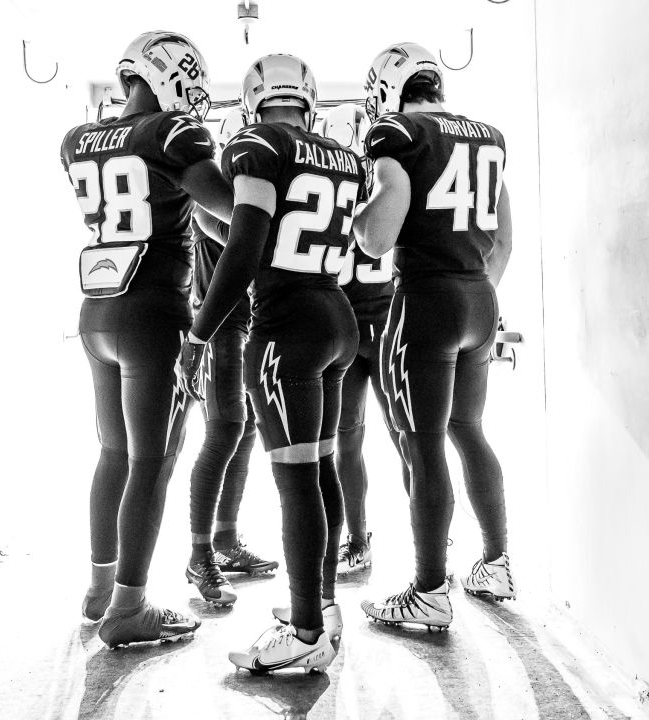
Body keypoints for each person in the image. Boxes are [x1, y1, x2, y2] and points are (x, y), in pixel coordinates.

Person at [176, 54, 361, 673]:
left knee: (295, 480)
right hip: (336, 315)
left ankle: (305, 631)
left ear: (254, 98)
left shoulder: (257, 143)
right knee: (323, 469)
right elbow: (267, 227)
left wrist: (198, 333)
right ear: (307, 97)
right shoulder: (342, 153)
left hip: (287, 331)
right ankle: (323, 609)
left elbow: (249, 243)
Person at [60, 30, 233, 648]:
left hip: (98, 311)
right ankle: (129, 607)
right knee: (153, 461)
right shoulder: (173, 135)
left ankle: (100, 587)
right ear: (175, 77)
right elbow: (233, 209)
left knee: (112, 454)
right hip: (155, 315)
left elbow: (169, 205)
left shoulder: (77, 140)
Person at [353, 42, 516, 631]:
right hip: (478, 296)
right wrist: (476, 292)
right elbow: (504, 238)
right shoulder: (489, 135)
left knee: (422, 445)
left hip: (425, 301)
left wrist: (357, 217)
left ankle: (427, 589)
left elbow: (377, 237)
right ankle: (496, 562)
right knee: (469, 431)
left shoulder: (398, 132)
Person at [183, 108, 278, 608]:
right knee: (223, 430)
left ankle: (223, 539)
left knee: (245, 430)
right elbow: (249, 244)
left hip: (244, 322)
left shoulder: (247, 193)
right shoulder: (211, 199)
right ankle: (200, 554)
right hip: (219, 325)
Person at [319, 103, 410, 579]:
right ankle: (431, 541)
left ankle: (356, 540)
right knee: (409, 438)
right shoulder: (390, 176)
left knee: (347, 443)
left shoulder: (328, 183)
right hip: (386, 319)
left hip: (347, 326)